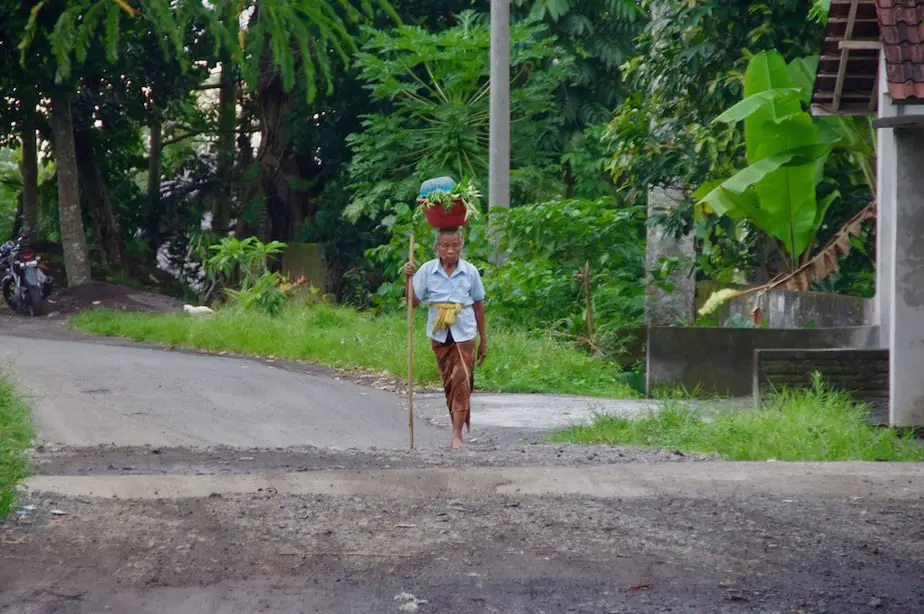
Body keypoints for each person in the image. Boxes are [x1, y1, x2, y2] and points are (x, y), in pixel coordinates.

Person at [404, 228, 487, 450]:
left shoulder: (470, 272)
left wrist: (484, 339)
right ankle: (456, 427)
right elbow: (413, 302)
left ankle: (457, 435)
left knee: (461, 378)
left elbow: (479, 305)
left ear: (461, 245)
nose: (451, 250)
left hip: (465, 332)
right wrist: (408, 279)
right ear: (437, 248)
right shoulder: (427, 271)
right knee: (450, 383)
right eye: (445, 246)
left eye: (455, 245)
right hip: (440, 334)